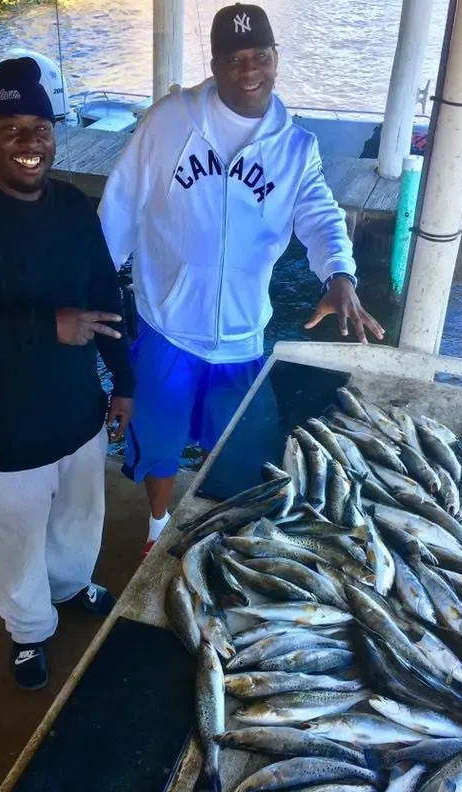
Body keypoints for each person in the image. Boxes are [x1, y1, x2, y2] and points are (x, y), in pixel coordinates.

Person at [97, 2, 383, 557]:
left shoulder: (296, 147)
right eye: (234, 58)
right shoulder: (168, 122)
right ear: (215, 64)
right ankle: (157, 527)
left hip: (241, 335)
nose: (249, 69)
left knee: (232, 448)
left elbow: (321, 216)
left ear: (276, 57)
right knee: (158, 439)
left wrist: (339, 272)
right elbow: (120, 206)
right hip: (167, 325)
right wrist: (89, 283)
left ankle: (217, 531)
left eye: (260, 56)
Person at [0, 57, 134, 691]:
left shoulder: (74, 207)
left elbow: (106, 297)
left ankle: (69, 585)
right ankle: (29, 630)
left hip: (77, 409)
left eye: (40, 127)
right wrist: (47, 325)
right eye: (10, 128)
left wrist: (124, 382)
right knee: (14, 538)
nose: (29, 141)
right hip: (1, 427)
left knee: (78, 518)